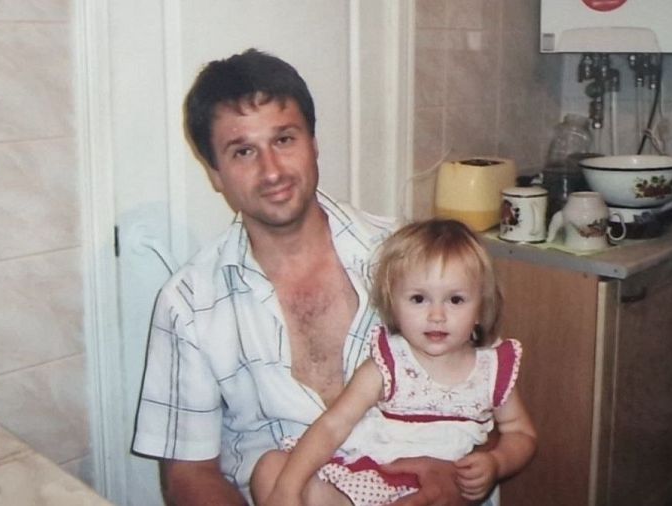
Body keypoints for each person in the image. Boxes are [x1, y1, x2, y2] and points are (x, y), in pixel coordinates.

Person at [132, 48, 489, 506]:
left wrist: (458, 480)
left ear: (314, 144)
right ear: (215, 173)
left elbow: (490, 394)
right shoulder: (188, 303)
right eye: (243, 151)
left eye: (284, 139)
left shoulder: (405, 255)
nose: (272, 171)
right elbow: (188, 475)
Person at [251, 219, 537, 506]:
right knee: (270, 469)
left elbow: (521, 433)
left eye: (455, 300)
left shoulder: (491, 370)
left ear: (481, 308)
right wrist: (288, 487)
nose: (437, 315)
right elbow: (333, 425)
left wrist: (498, 462)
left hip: (438, 496)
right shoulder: (388, 364)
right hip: (367, 484)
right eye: (419, 299)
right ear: (393, 305)